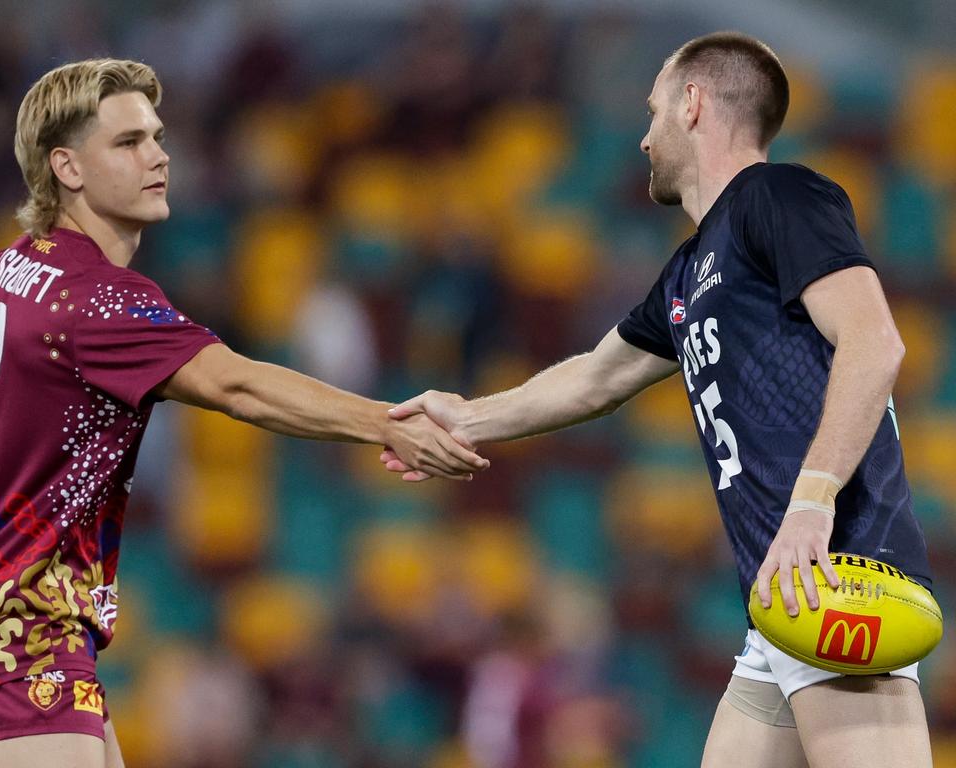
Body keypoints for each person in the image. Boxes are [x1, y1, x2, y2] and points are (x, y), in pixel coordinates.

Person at [382, 31, 933, 768]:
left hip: (839, 574)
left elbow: (876, 345)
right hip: (779, 600)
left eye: (653, 111)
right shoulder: (689, 271)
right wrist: (469, 415)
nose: (643, 137)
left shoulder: (780, 196)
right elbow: (597, 377)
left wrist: (812, 503)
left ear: (693, 103)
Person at [0, 58, 488, 768]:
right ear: (66, 167)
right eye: (128, 142)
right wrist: (386, 423)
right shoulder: (99, 300)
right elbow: (238, 387)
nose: (158, 154)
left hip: (21, 620)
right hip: (28, 630)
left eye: (157, 136)